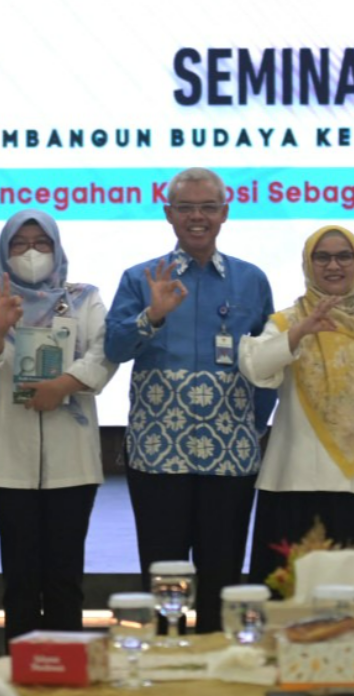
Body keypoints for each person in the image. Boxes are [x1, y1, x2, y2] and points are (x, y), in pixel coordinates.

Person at [104, 167, 276, 632]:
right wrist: (153, 315)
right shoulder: (140, 278)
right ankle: (166, 663)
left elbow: (269, 364)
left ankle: (220, 665)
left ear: (224, 213)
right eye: (186, 208)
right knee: (163, 578)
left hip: (230, 454)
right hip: (158, 454)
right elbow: (114, 349)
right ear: (168, 213)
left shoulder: (251, 280)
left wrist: (251, 426)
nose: (197, 217)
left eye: (207, 207)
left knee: (223, 577)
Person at [242, 226, 354, 622]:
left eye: (344, 256)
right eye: (322, 257)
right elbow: (256, 368)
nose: (333, 265)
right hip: (295, 481)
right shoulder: (286, 321)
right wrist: (299, 332)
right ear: (307, 264)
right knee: (293, 600)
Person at [0, 209, 119, 641]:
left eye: (41, 243)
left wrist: (64, 385)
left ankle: (66, 670)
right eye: (19, 244)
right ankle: (20, 671)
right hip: (8, 463)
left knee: (64, 581)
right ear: (4, 251)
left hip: (73, 463)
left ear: (57, 248)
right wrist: (0, 327)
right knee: (19, 582)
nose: (31, 252)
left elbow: (105, 351)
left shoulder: (84, 297)